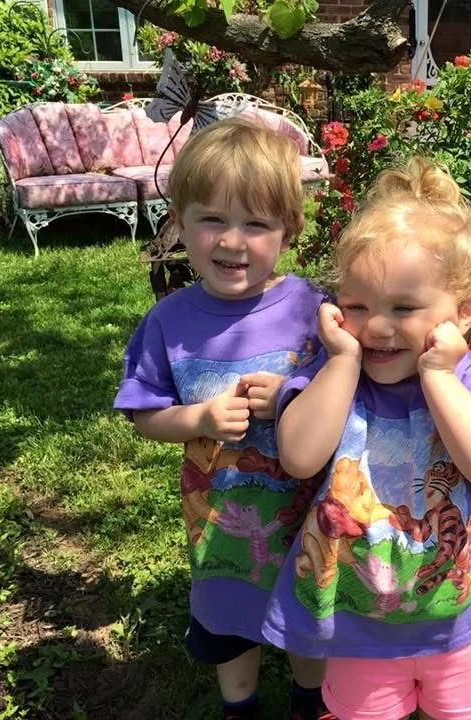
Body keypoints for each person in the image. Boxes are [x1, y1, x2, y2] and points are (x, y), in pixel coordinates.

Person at [262, 157, 471, 720]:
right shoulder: (332, 374)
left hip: (454, 617)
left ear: (465, 313)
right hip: (357, 622)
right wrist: (341, 363)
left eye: (404, 308)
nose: (378, 326)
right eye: (358, 307)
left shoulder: (470, 379)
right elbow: (300, 455)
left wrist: (437, 377)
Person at [114, 117, 334, 720]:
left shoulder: (315, 310)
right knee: (228, 614)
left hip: (309, 509)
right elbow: (145, 414)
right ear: (178, 221)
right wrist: (200, 419)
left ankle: (311, 699)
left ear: (288, 231)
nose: (233, 242)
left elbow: (347, 388)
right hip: (220, 516)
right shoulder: (169, 322)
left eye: (256, 224)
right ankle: (240, 705)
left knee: (309, 606)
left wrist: (292, 392)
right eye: (212, 218)